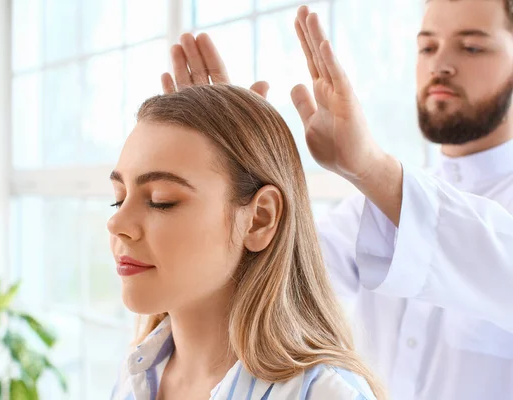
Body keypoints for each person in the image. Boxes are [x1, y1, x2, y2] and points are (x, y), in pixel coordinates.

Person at [159, 1, 513, 399]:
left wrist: (368, 167)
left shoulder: (392, 192)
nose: (441, 64)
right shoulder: (375, 209)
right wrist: (233, 159)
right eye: (427, 47)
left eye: (472, 47)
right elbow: (274, 272)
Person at [108, 84, 383, 399]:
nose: (116, 223)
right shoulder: (135, 376)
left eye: (161, 200)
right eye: (118, 199)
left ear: (260, 219)